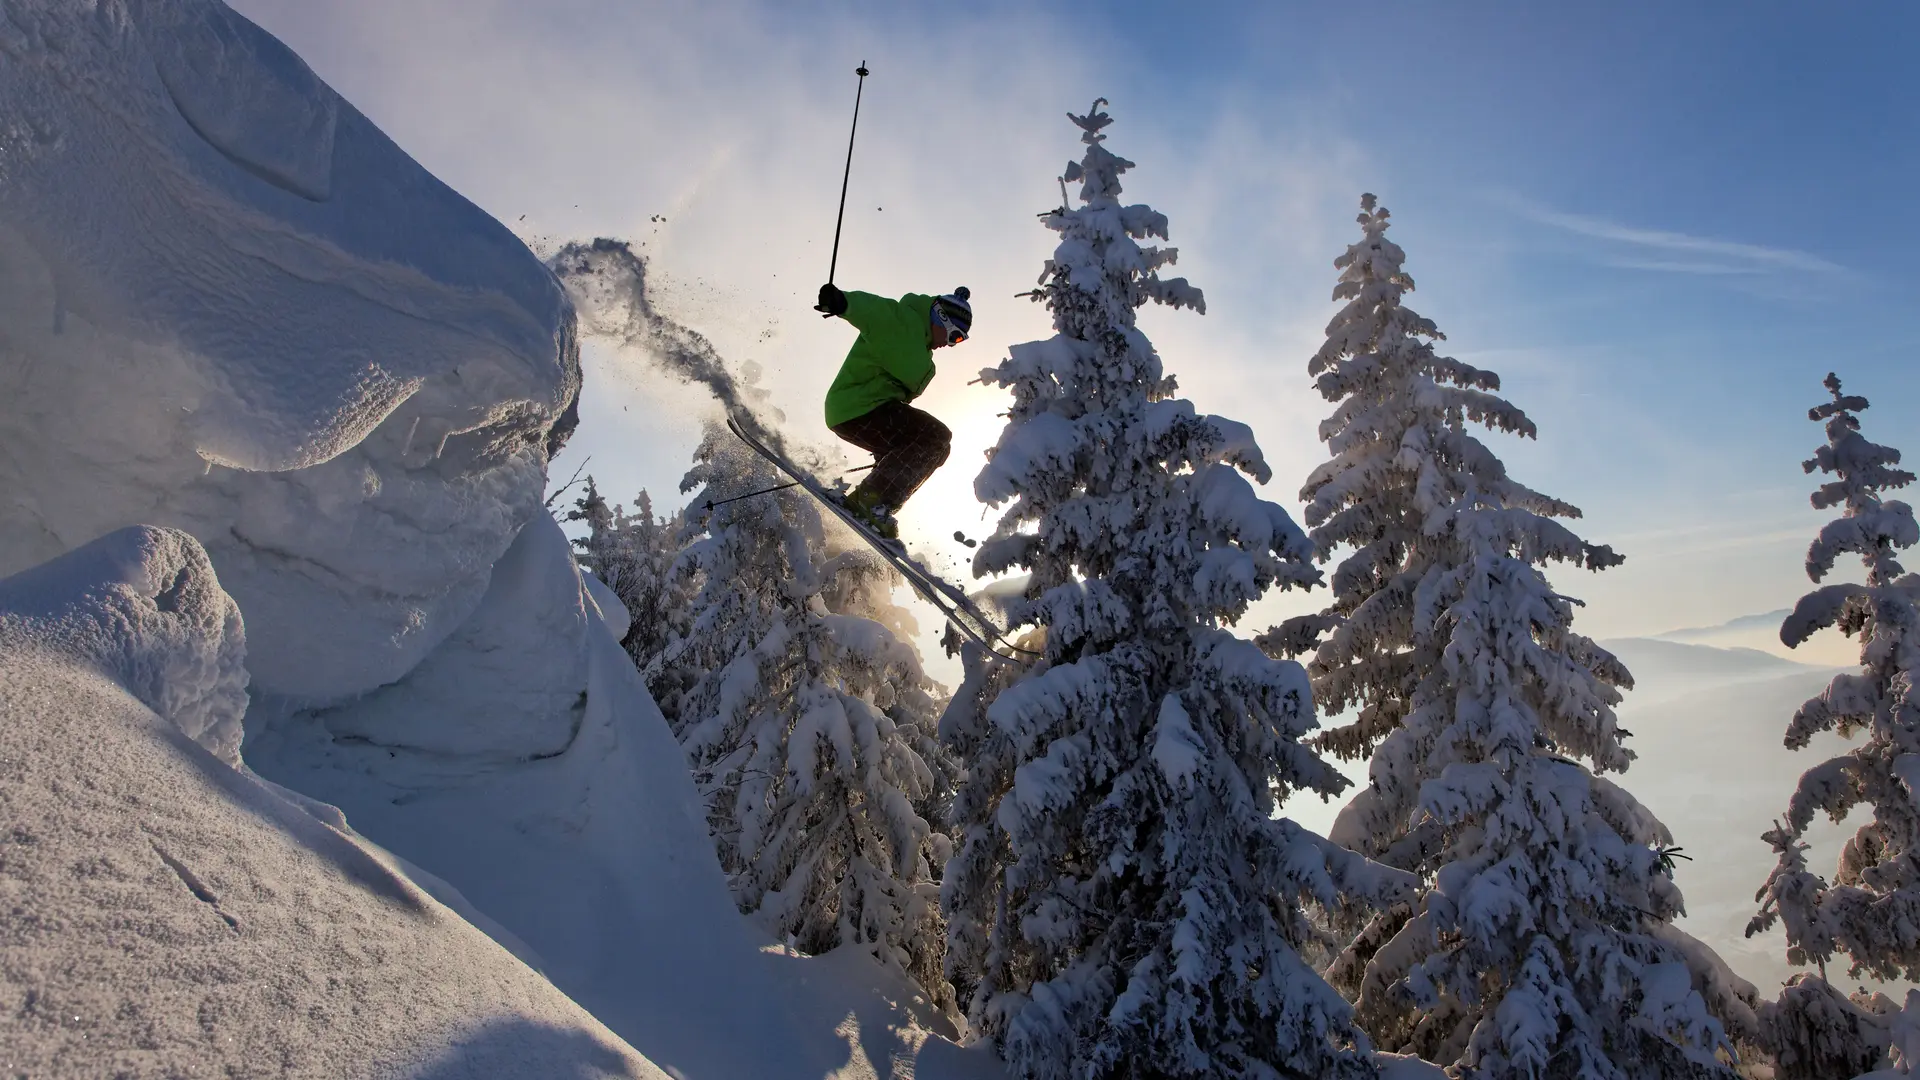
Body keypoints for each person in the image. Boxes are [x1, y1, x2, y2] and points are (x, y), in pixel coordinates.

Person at [813, 282, 971, 539]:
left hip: (868, 411)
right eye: (955, 336)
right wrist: (843, 302)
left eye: (959, 340)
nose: (952, 344)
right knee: (937, 436)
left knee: (940, 448)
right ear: (941, 317)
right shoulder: (903, 319)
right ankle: (871, 499)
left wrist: (892, 461)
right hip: (857, 406)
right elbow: (872, 311)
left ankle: (874, 499)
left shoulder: (921, 352)